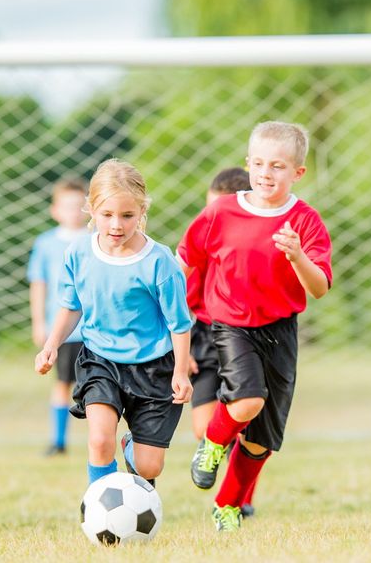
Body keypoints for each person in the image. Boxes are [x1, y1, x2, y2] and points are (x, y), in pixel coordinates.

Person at [178, 121, 332, 532]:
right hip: (231, 324)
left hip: (280, 329)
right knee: (246, 401)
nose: (266, 173)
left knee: (261, 439)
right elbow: (185, 259)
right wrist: (169, 316)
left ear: (298, 172)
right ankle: (211, 445)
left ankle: (227, 505)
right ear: (248, 164)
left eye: (278, 166)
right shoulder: (221, 212)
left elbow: (319, 287)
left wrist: (298, 257)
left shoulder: (305, 220)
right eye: (259, 163)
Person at [35, 159, 193, 487]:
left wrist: (179, 371)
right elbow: (70, 305)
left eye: (127, 216)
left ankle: (133, 448)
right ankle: (99, 505)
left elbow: (178, 323)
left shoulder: (159, 261)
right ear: (91, 210)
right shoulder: (78, 253)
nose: (116, 225)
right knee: (98, 440)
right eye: (106, 215)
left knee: (150, 468)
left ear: (142, 211)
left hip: (153, 367)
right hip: (100, 359)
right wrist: (51, 344)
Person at [186, 167, 257, 517]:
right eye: (208, 211)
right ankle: (218, 460)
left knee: (250, 424)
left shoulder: (252, 248)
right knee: (205, 427)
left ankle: (240, 499)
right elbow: (175, 304)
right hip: (202, 338)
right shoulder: (198, 249)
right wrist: (179, 351)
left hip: (247, 336)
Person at [27, 178, 89, 456]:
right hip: (62, 330)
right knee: (62, 383)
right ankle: (59, 440)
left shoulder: (97, 238)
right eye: (67, 206)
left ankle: (98, 439)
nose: (73, 211)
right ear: (55, 210)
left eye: (79, 205)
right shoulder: (46, 243)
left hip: (94, 329)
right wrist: (39, 322)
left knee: (96, 387)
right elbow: (38, 284)